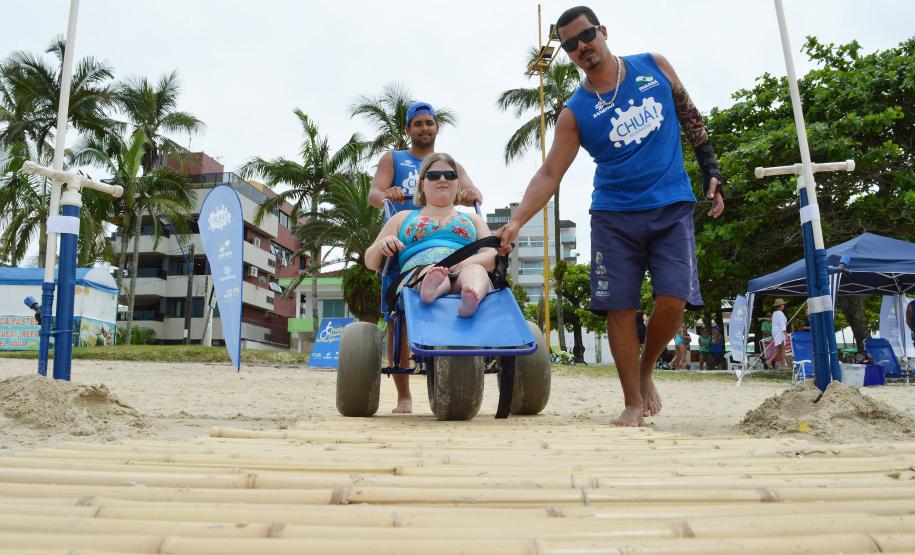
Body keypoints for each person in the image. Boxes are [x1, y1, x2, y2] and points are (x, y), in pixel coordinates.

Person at [494, 6, 725, 426]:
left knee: (673, 301)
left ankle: (645, 367)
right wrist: (516, 221)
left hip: (671, 205)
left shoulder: (653, 66)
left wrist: (711, 169)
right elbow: (549, 173)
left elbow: (690, 115)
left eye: (586, 36)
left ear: (602, 31)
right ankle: (633, 401)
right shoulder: (575, 112)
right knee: (621, 307)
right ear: (567, 53)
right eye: (570, 45)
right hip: (614, 217)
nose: (581, 47)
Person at [367, 102, 483, 413]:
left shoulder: (447, 165)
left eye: (429, 123)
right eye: (417, 124)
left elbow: (471, 190)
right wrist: (385, 195)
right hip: (407, 244)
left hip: (452, 242)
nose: (424, 128)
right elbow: (373, 195)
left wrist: (472, 194)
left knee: (472, 277)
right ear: (408, 129)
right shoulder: (394, 159)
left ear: (436, 127)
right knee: (399, 319)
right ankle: (404, 395)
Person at [365, 152, 496, 371]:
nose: (443, 179)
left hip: (464, 269)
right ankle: (433, 288)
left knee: (477, 271)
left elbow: (492, 255)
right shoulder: (402, 218)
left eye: (450, 175)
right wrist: (382, 245)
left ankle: (471, 296)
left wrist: (464, 264)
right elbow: (370, 261)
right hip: (421, 270)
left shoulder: (472, 219)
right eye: (434, 175)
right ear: (422, 184)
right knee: (431, 271)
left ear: (457, 184)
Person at [766, 299, 789, 369]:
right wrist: (786, 334)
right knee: (782, 349)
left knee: (780, 349)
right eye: (783, 304)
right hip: (779, 332)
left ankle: (769, 361)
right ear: (781, 306)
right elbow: (782, 325)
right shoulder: (780, 314)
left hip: (775, 332)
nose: (784, 305)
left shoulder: (774, 313)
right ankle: (783, 366)